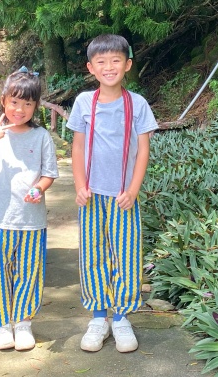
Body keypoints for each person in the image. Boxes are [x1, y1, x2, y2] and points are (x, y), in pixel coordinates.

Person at [67, 34, 158, 353]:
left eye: (116, 61)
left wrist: (134, 190)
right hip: (91, 196)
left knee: (126, 256)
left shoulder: (138, 104)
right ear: (90, 68)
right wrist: (79, 185)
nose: (109, 67)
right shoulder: (83, 103)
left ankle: (120, 318)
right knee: (92, 256)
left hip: (123, 197)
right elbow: (77, 146)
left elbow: (143, 150)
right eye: (101, 62)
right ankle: (97, 318)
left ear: (128, 65)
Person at [0, 67, 59, 351]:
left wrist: (39, 189)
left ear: (35, 105)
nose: (20, 109)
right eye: (14, 102)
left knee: (29, 272)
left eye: (28, 104)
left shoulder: (41, 136)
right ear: (4, 101)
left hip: (32, 220)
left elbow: (48, 173)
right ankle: (1, 326)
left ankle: (22, 323)